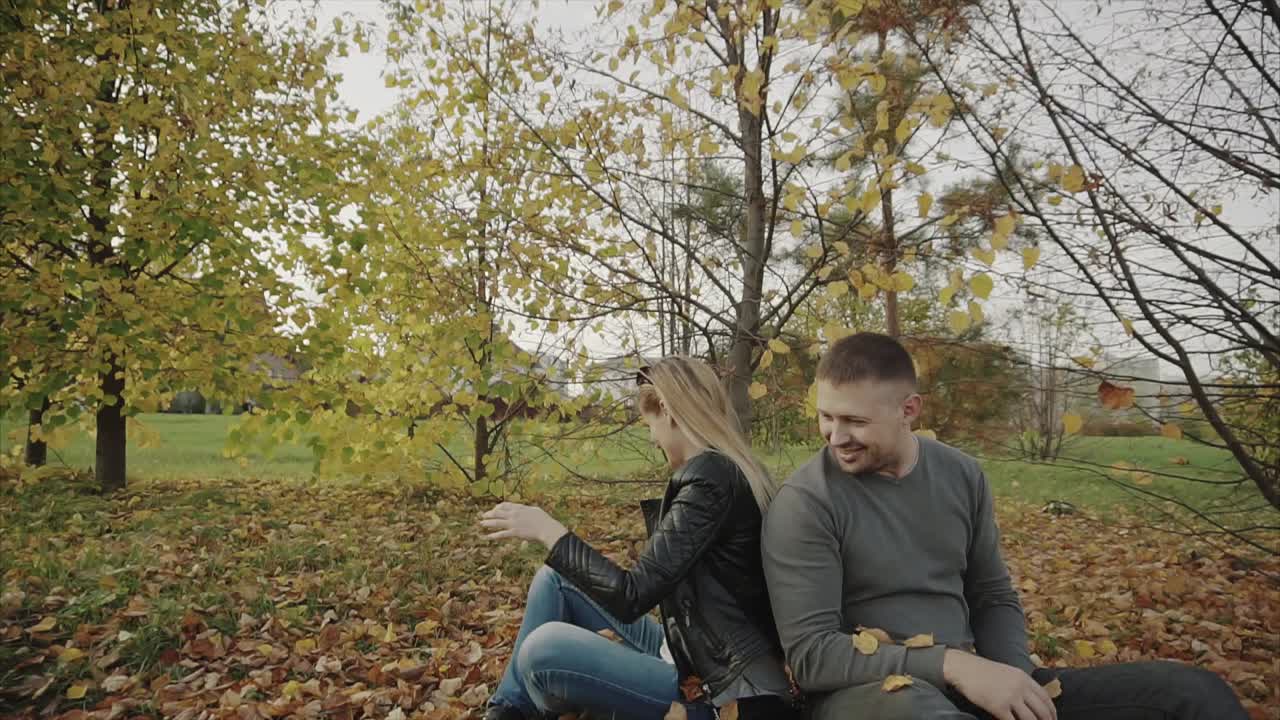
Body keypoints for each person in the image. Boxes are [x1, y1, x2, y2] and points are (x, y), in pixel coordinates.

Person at [762, 332, 1248, 720]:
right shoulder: (807, 503)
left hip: (980, 678)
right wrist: (955, 666)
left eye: (854, 420)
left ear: (909, 410)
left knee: (1189, 693)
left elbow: (992, 594)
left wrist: (1014, 677)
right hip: (870, 697)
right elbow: (813, 656)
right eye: (826, 417)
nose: (836, 436)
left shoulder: (960, 474)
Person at [479, 356, 800, 720]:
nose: (651, 438)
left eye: (651, 424)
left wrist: (547, 530)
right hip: (689, 649)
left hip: (717, 684)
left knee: (542, 650)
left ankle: (529, 705)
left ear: (667, 409)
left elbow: (631, 595)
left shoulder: (711, 480)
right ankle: (505, 711)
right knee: (555, 581)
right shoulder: (727, 469)